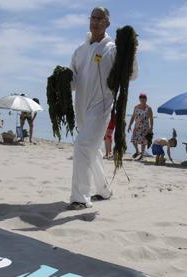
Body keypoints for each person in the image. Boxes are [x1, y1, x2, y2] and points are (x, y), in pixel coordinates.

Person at [68, 6, 138, 210]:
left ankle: (80, 197)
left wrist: (131, 49)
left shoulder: (113, 49)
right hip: (81, 106)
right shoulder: (79, 51)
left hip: (102, 107)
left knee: (82, 146)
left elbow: (131, 74)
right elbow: (73, 82)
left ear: (108, 23)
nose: (96, 21)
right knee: (91, 150)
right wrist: (62, 79)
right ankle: (104, 190)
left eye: (100, 18)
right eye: (93, 17)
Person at [128, 93, 153, 160]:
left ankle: (142, 155)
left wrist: (151, 128)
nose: (142, 99)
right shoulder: (136, 107)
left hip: (145, 127)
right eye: (141, 98)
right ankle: (137, 151)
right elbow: (133, 116)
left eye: (144, 98)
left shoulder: (149, 108)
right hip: (137, 126)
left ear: (146, 99)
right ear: (139, 99)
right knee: (133, 140)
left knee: (143, 142)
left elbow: (151, 119)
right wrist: (130, 124)